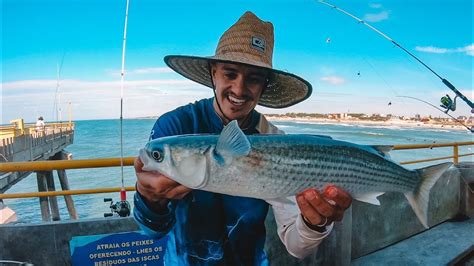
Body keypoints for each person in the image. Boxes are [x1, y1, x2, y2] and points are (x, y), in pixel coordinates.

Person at [133, 11, 352, 265]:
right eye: (230, 73)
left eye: (253, 78)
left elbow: (296, 246)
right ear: (213, 72)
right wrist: (150, 200)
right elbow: (152, 231)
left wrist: (314, 223)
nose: (239, 89)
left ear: (264, 85)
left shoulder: (275, 141)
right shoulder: (175, 128)